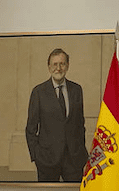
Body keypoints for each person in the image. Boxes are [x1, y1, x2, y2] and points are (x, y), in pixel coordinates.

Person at [25, 48, 88, 182]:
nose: (58, 68)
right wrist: (37, 156)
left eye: (62, 64)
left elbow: (79, 124)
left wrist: (80, 151)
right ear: (49, 67)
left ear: (67, 66)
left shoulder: (77, 90)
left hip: (74, 160)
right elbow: (30, 129)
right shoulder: (38, 92)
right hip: (47, 160)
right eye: (54, 64)